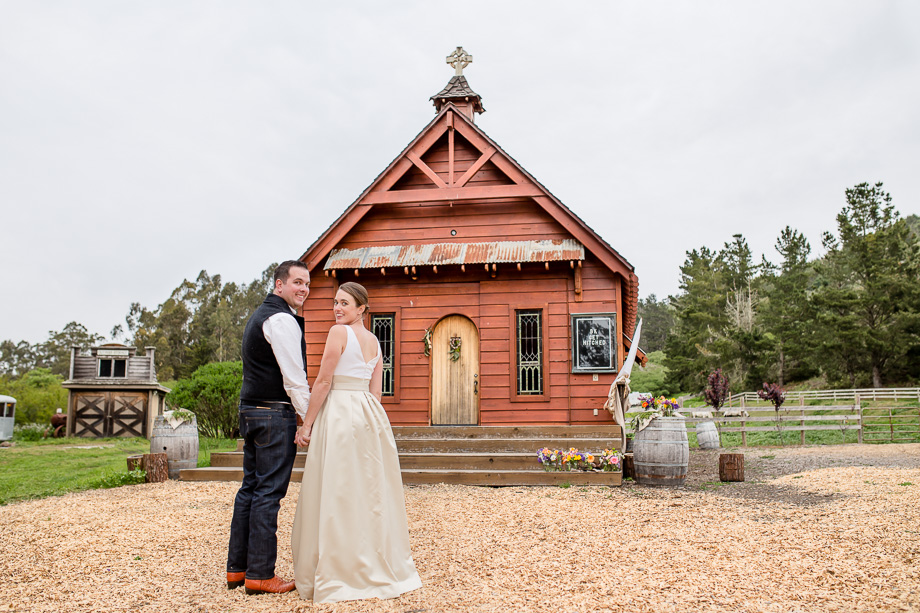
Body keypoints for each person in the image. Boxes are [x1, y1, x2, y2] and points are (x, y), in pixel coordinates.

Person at [291, 281, 422, 603]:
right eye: (335, 302)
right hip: (368, 416)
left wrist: (306, 424)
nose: (337, 308)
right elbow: (376, 393)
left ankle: (339, 567)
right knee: (368, 491)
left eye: (344, 304)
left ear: (362, 308)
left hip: (338, 412)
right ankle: (372, 559)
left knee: (337, 488)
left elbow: (322, 381)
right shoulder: (376, 342)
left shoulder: (339, 334)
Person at [226, 260, 311, 595]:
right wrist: (310, 419)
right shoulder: (281, 319)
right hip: (274, 415)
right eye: (297, 283)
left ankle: (238, 569)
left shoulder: (259, 315)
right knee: (268, 494)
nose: (303, 289)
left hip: (250, 411)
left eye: (307, 283)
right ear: (279, 285)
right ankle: (260, 574)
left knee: (250, 489)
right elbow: (294, 379)